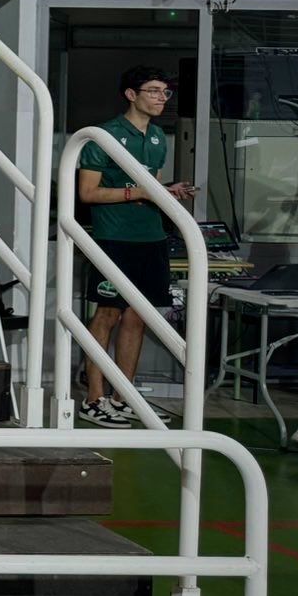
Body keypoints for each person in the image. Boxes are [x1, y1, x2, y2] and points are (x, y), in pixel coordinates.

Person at [75, 67, 193, 427]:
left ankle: (122, 397)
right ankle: (94, 399)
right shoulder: (104, 136)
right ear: (131, 94)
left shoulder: (158, 137)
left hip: (151, 238)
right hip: (115, 239)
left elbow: (150, 185)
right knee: (107, 314)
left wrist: (164, 193)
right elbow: (87, 193)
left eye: (165, 93)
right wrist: (139, 192)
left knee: (138, 317)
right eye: (154, 91)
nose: (161, 98)